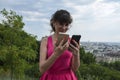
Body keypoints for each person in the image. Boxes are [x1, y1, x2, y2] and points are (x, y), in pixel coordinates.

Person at [39, 9, 80, 80]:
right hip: (50, 77)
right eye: (61, 24)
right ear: (54, 23)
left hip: (68, 77)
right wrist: (56, 54)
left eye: (66, 25)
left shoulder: (71, 41)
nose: (64, 28)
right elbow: (42, 69)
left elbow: (74, 69)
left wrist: (76, 54)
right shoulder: (45, 41)